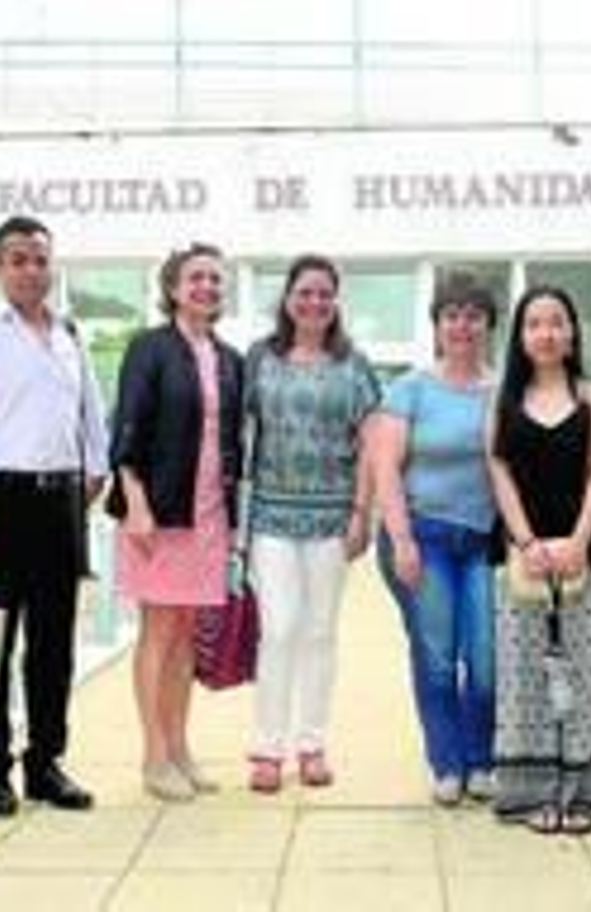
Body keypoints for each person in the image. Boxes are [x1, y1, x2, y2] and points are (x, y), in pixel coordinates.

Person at [0, 215, 110, 816]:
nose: (31, 270)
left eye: (40, 259)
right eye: (18, 260)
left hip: (60, 501)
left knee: (53, 642)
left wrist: (94, 470)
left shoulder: (69, 334)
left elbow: (92, 414)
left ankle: (46, 762)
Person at [109, 242, 245, 802]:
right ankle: (153, 756)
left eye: (215, 279)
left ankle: (180, 748)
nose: (207, 287)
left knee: (188, 632)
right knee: (159, 631)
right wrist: (135, 503)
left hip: (209, 512)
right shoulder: (149, 348)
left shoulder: (230, 358)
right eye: (196, 278)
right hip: (158, 513)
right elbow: (127, 430)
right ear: (172, 289)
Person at [243, 255, 381, 793]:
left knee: (320, 632)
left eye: (325, 294)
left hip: (331, 516)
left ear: (336, 301)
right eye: (305, 292)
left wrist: (360, 514)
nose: (315, 302)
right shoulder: (261, 358)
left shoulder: (354, 364)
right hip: (271, 515)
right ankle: (266, 747)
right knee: (279, 628)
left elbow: (372, 445)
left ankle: (312, 744)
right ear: (288, 298)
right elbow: (237, 435)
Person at [486, 285, 591, 835]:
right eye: (534, 323)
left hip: (587, 552)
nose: (546, 333)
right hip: (523, 555)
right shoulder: (502, 398)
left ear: (572, 333)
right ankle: (531, 794)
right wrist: (526, 542)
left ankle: (585, 795)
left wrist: (578, 539)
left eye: (557, 322)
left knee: (586, 673)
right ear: (521, 336)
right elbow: (497, 467)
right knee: (525, 673)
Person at [372, 273, 500, 807]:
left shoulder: (502, 389)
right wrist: (401, 540)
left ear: (489, 325)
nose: (462, 325)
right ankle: (447, 762)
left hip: (484, 543)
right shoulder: (411, 389)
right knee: (439, 656)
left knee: (488, 656)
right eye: (452, 315)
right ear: (437, 326)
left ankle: (482, 760)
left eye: (473, 315)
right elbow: (385, 468)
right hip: (423, 537)